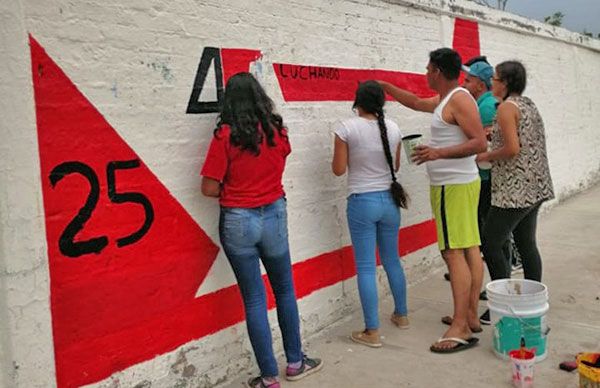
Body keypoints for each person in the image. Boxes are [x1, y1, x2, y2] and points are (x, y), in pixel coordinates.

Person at [200, 72, 322, 388]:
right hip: (274, 215)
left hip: (239, 219)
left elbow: (209, 189)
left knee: (254, 300)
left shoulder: (225, 136)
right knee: (285, 291)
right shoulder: (276, 132)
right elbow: (282, 157)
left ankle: (268, 378)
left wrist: (236, 187)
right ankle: (296, 362)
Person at [379, 48, 487, 353]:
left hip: (454, 186)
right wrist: (386, 87)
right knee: (468, 249)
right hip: (454, 185)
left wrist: (437, 152)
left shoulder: (459, 99)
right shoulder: (447, 100)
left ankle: (460, 327)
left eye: (428, 69)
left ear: (437, 71)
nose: (425, 74)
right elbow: (414, 102)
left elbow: (479, 141)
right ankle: (468, 316)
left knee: (453, 252)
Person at [331, 81, 410, 348]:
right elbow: (395, 165)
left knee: (365, 267)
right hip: (389, 201)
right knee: (392, 260)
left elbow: (338, 170)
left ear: (358, 101)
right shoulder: (394, 128)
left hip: (362, 202)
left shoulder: (346, 128)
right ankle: (402, 315)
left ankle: (372, 331)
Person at [476, 61, 554, 321]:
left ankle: (503, 303)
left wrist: (487, 154)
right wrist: (493, 136)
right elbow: (520, 137)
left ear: (505, 82)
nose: (492, 83)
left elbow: (512, 148)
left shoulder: (507, 108)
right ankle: (533, 302)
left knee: (491, 240)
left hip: (514, 190)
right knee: (526, 243)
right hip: (535, 186)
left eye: (496, 79)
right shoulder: (527, 104)